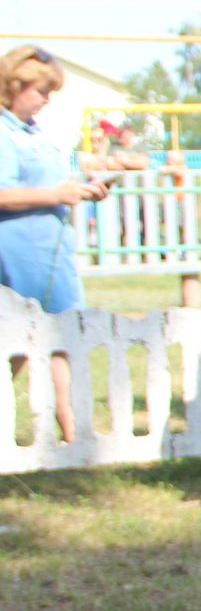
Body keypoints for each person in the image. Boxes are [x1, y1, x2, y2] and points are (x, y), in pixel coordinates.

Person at [0, 46, 109, 444]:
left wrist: (84, 186)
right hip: (19, 250)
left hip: (51, 249)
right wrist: (57, 195)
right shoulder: (3, 133)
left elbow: (54, 183)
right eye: (41, 90)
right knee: (16, 341)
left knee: (63, 335)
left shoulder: (37, 134)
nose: (47, 99)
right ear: (15, 85)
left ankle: (71, 428)